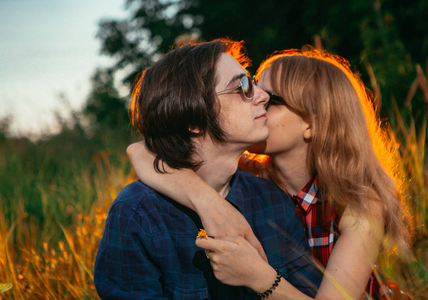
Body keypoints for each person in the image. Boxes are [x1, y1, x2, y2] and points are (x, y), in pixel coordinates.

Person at [126, 46, 411, 299]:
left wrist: (257, 276)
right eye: (250, 88)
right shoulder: (251, 176)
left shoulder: (358, 205)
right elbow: (139, 151)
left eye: (272, 99)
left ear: (312, 124)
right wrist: (207, 201)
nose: (257, 98)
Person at [94, 40, 322, 299]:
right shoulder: (138, 215)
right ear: (193, 118)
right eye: (243, 87)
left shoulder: (271, 200)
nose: (263, 96)